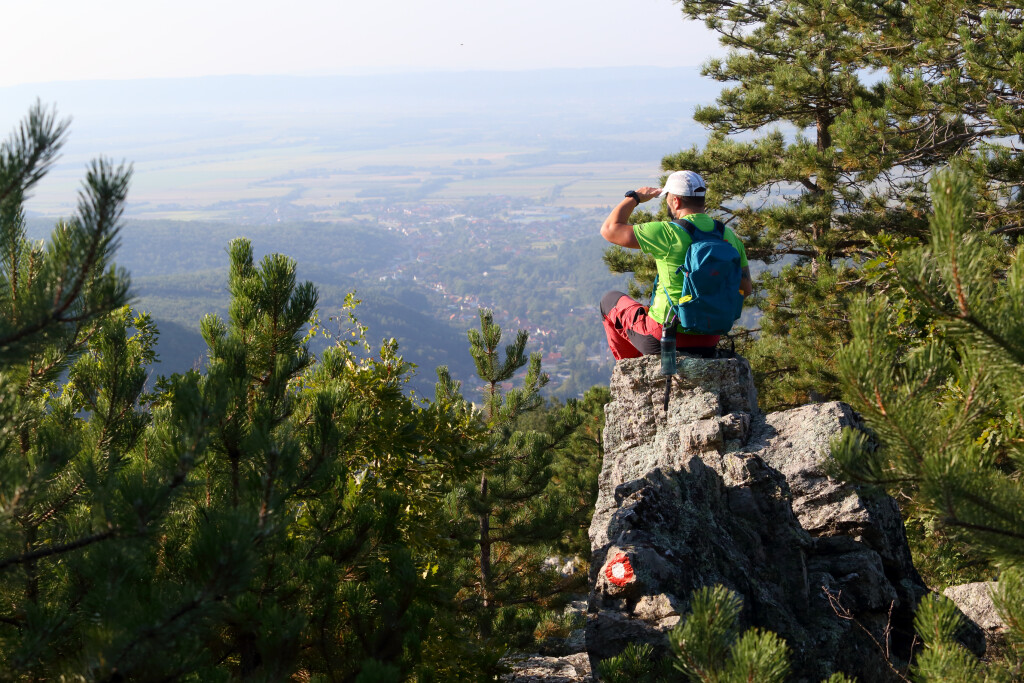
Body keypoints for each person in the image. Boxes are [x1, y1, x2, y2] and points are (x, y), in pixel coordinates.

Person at [599, 170, 753, 360]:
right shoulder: (728, 236)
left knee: (609, 300)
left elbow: (609, 229)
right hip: (710, 339)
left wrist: (635, 197)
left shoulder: (667, 232)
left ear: (676, 201)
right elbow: (746, 289)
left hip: (663, 338)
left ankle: (631, 366)